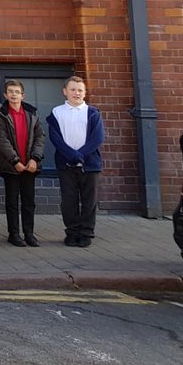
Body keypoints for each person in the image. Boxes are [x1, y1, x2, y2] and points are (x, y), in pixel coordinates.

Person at [47, 76, 105, 247]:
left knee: (89, 201)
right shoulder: (56, 113)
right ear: (65, 91)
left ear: (85, 93)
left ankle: (86, 233)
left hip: (90, 165)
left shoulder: (93, 113)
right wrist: (70, 155)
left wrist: (79, 155)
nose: (76, 93)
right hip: (66, 165)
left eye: (80, 90)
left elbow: (97, 138)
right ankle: (72, 232)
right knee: (69, 201)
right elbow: (55, 138)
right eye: (72, 89)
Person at [0, 79, 45, 247]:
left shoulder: (32, 114)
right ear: (5, 95)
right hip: (12, 167)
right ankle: (14, 234)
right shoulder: (1, 115)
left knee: (29, 201)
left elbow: (40, 138)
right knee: (12, 202)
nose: (13, 94)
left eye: (17, 92)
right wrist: (15, 161)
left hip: (30, 166)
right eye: (10, 91)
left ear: (23, 95)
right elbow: (2, 141)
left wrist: (34, 159)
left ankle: (29, 233)